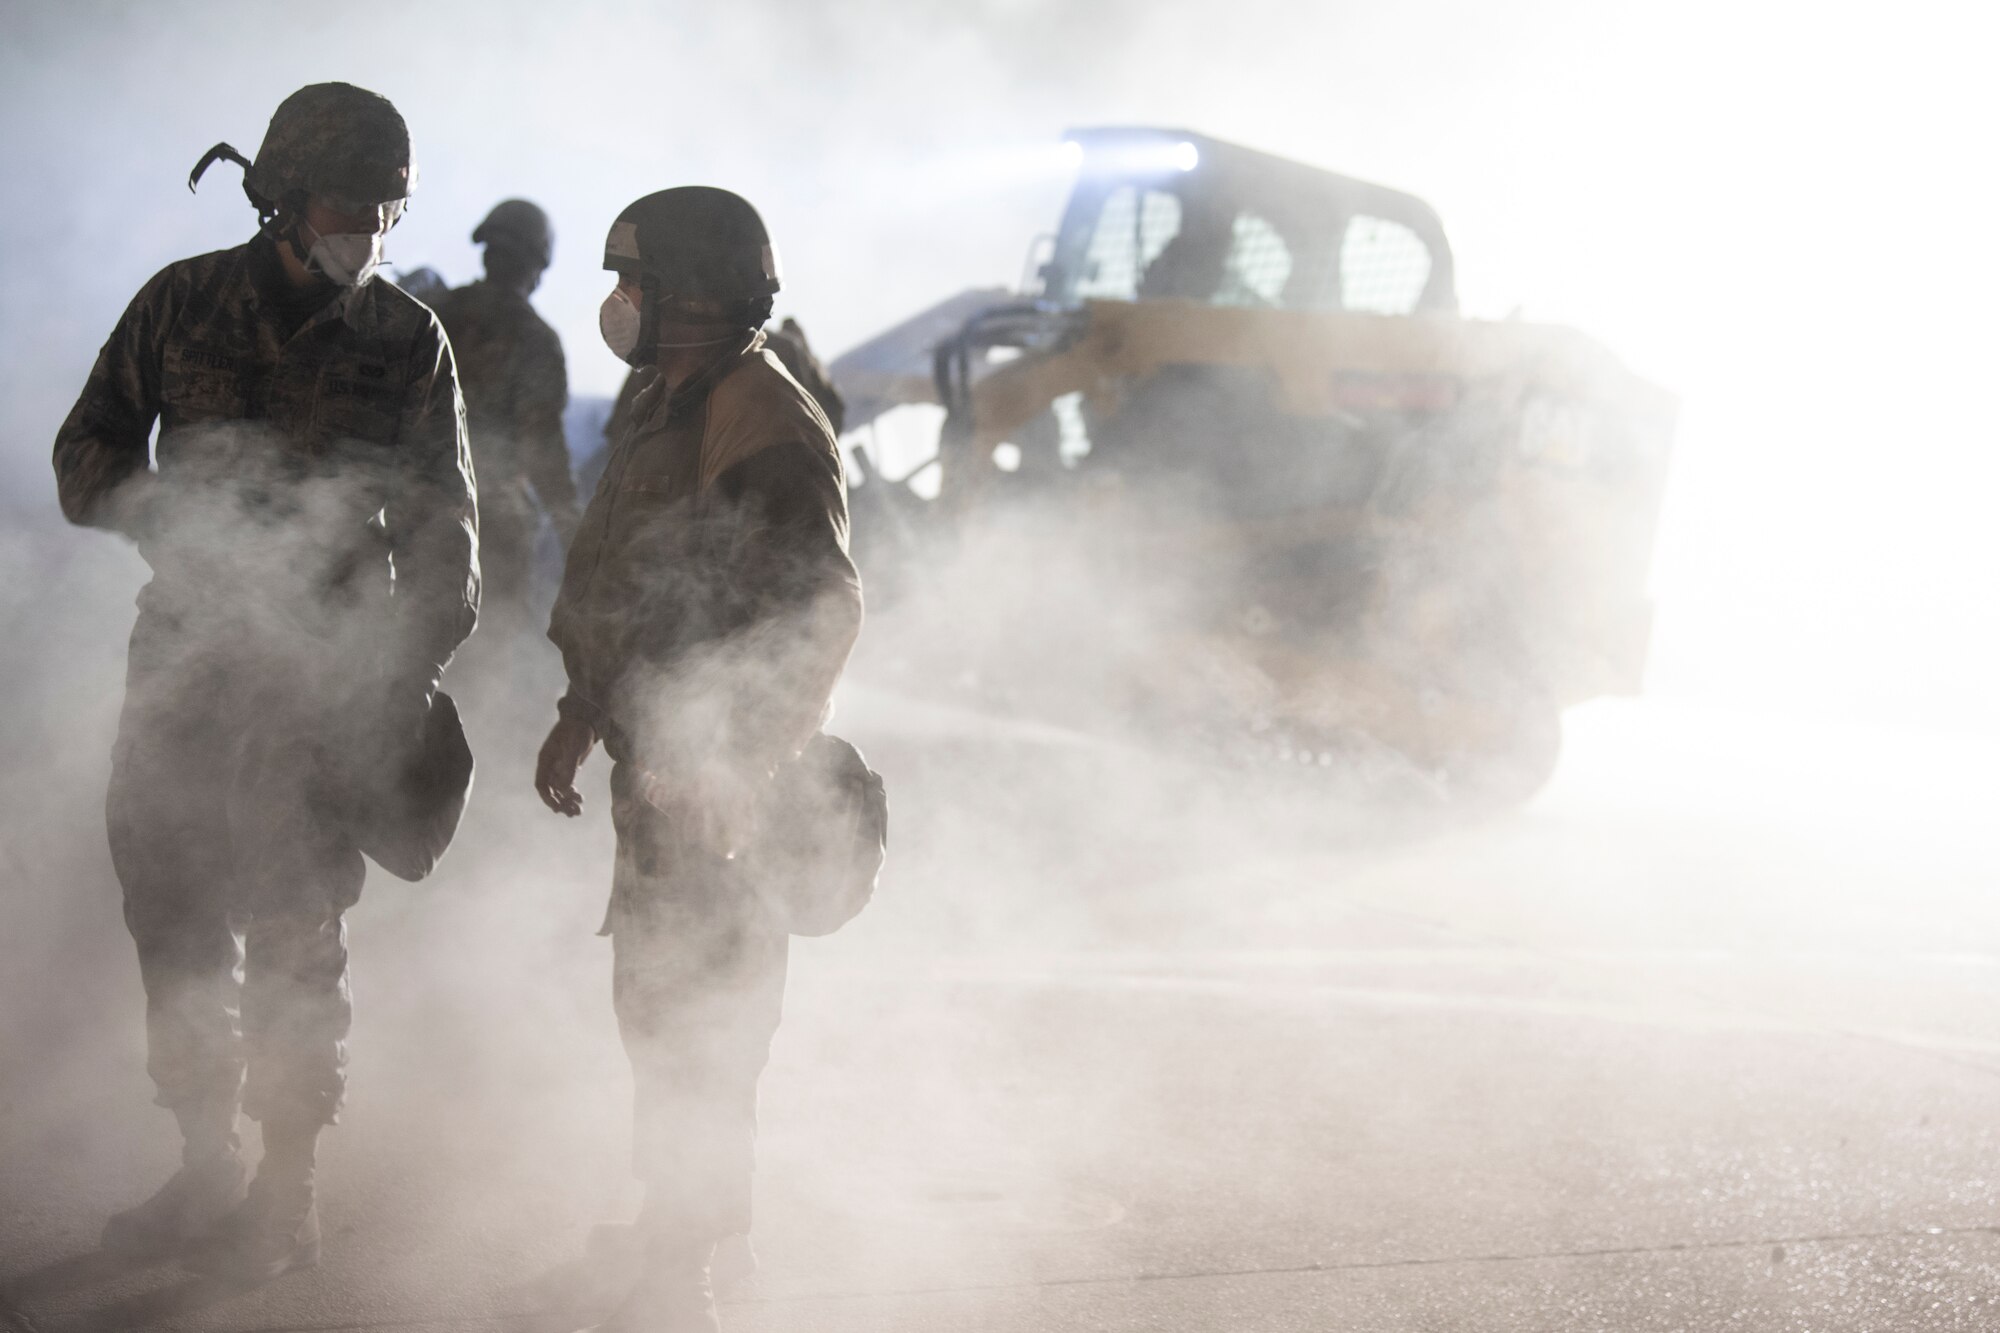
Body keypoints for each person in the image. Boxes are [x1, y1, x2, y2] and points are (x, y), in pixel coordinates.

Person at [52, 82, 479, 1284]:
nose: (372, 234)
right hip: (186, 662)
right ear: (284, 197)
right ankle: (202, 1165)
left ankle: (285, 1195)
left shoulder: (407, 339)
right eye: (353, 206)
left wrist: (399, 673)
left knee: (297, 930)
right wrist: (178, 514)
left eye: (390, 210)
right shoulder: (180, 305)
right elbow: (86, 453)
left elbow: (446, 531)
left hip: (328, 685)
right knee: (173, 906)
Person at [533, 187, 862, 1332]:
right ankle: (674, 1238)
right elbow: (624, 569)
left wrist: (743, 759)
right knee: (662, 1017)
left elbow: (814, 608)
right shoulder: (667, 401)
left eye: (635, 282)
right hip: (659, 772)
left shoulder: (758, 415)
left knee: (707, 1029)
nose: (618, 305)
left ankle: (688, 1281)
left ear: (698, 292)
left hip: (718, 788)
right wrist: (584, 703)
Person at [433, 199, 578, 629]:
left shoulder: (434, 315)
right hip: (492, 527)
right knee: (490, 647)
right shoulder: (537, 340)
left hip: (416, 508)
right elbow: (543, 446)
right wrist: (572, 526)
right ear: (537, 267)